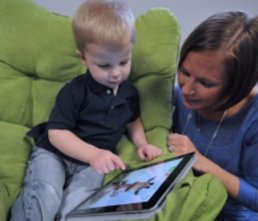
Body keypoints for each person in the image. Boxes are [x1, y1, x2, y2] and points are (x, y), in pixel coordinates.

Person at [10, 1, 162, 221]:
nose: (116, 73)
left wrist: (142, 143)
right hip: (56, 154)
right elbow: (57, 133)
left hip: (92, 165)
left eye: (124, 61)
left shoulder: (129, 93)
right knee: (47, 194)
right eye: (104, 65)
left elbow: (132, 121)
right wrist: (92, 154)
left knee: (81, 204)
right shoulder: (74, 91)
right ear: (83, 59)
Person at [167, 11, 258, 221]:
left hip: (226, 214)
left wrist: (198, 160)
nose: (187, 89)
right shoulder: (178, 93)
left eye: (205, 83)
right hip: (176, 198)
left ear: (238, 85)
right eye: (185, 72)